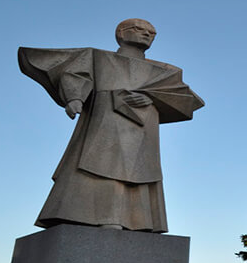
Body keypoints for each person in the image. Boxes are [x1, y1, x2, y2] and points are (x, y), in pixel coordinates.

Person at [18, 18, 204, 233]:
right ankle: (101, 216)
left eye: (152, 33)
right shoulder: (98, 58)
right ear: (121, 34)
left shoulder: (165, 71)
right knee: (100, 163)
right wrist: (74, 98)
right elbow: (75, 73)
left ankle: (140, 221)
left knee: (141, 171)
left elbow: (184, 99)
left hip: (143, 127)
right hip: (106, 119)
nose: (147, 34)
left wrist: (152, 99)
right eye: (139, 29)